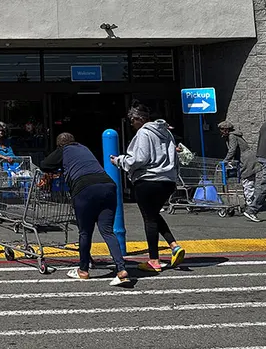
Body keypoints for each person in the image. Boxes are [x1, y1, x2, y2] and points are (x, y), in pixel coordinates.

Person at [41, 133, 132, 286]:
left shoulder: (65, 149)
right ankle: (121, 269)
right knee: (107, 231)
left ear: (60, 145)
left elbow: (45, 164)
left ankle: (83, 270)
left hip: (84, 188)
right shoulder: (83, 148)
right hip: (107, 185)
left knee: (85, 232)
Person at [111, 102, 185, 273]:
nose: (131, 124)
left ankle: (154, 260)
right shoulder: (166, 132)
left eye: (132, 120)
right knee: (153, 214)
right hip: (167, 180)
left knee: (149, 219)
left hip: (148, 180)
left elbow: (139, 158)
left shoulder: (144, 133)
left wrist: (119, 161)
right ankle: (174, 246)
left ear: (140, 119)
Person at [219, 120, 257, 209]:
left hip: (246, 160)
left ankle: (250, 203)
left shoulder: (232, 136)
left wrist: (225, 160)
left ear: (226, 130)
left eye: (221, 129)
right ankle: (250, 201)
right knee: (249, 181)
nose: (220, 131)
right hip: (248, 158)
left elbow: (232, 150)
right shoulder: (235, 135)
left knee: (247, 181)